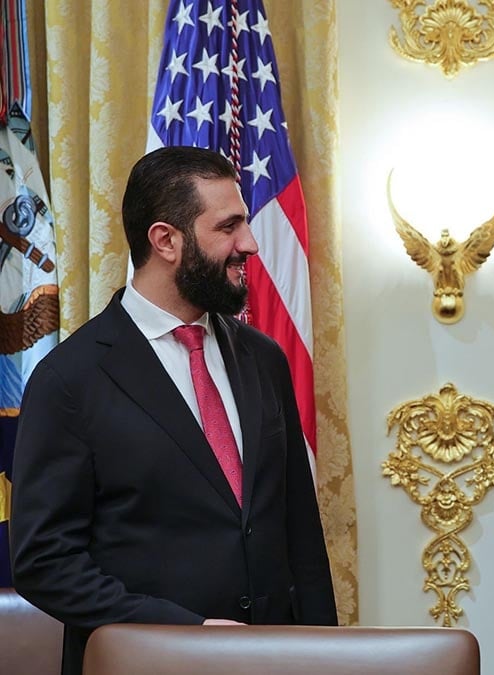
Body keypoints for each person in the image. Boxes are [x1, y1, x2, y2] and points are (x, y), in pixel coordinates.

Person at [9, 146, 337, 675]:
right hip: (145, 663)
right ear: (165, 240)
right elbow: (44, 563)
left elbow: (302, 537)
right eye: (228, 227)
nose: (249, 244)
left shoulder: (263, 359)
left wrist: (326, 656)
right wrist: (187, 631)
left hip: (274, 659)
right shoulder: (69, 380)